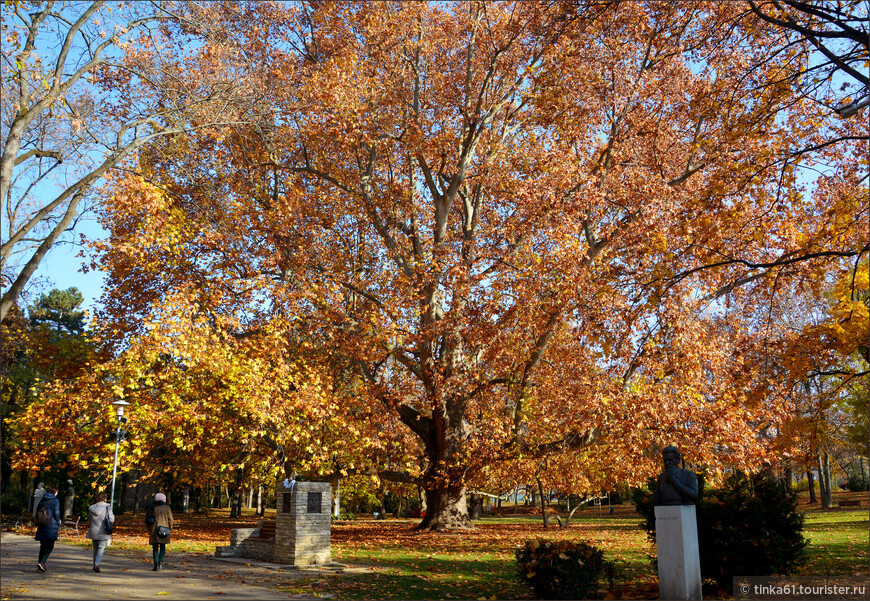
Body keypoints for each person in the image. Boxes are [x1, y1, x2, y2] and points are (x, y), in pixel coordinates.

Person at [34, 486, 61, 572]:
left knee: (43, 545)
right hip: (51, 524)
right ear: (55, 492)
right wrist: (58, 521)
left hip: (42, 523)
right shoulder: (55, 500)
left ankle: (40, 564)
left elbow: (37, 510)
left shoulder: (43, 499)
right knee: (50, 545)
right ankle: (42, 563)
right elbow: (56, 512)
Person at [86, 492, 114, 572]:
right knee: (101, 548)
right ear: (104, 499)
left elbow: (89, 519)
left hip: (93, 530)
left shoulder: (91, 508)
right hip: (103, 531)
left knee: (95, 548)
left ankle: (94, 564)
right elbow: (111, 519)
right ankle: (97, 564)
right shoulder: (107, 507)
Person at [147, 492, 174, 571]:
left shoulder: (152, 508)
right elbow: (171, 519)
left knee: (155, 547)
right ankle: (161, 564)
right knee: (162, 546)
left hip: (154, 529)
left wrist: (149, 528)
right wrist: (170, 527)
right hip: (164, 529)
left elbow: (148, 519)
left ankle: (156, 565)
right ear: (163, 500)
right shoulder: (167, 508)